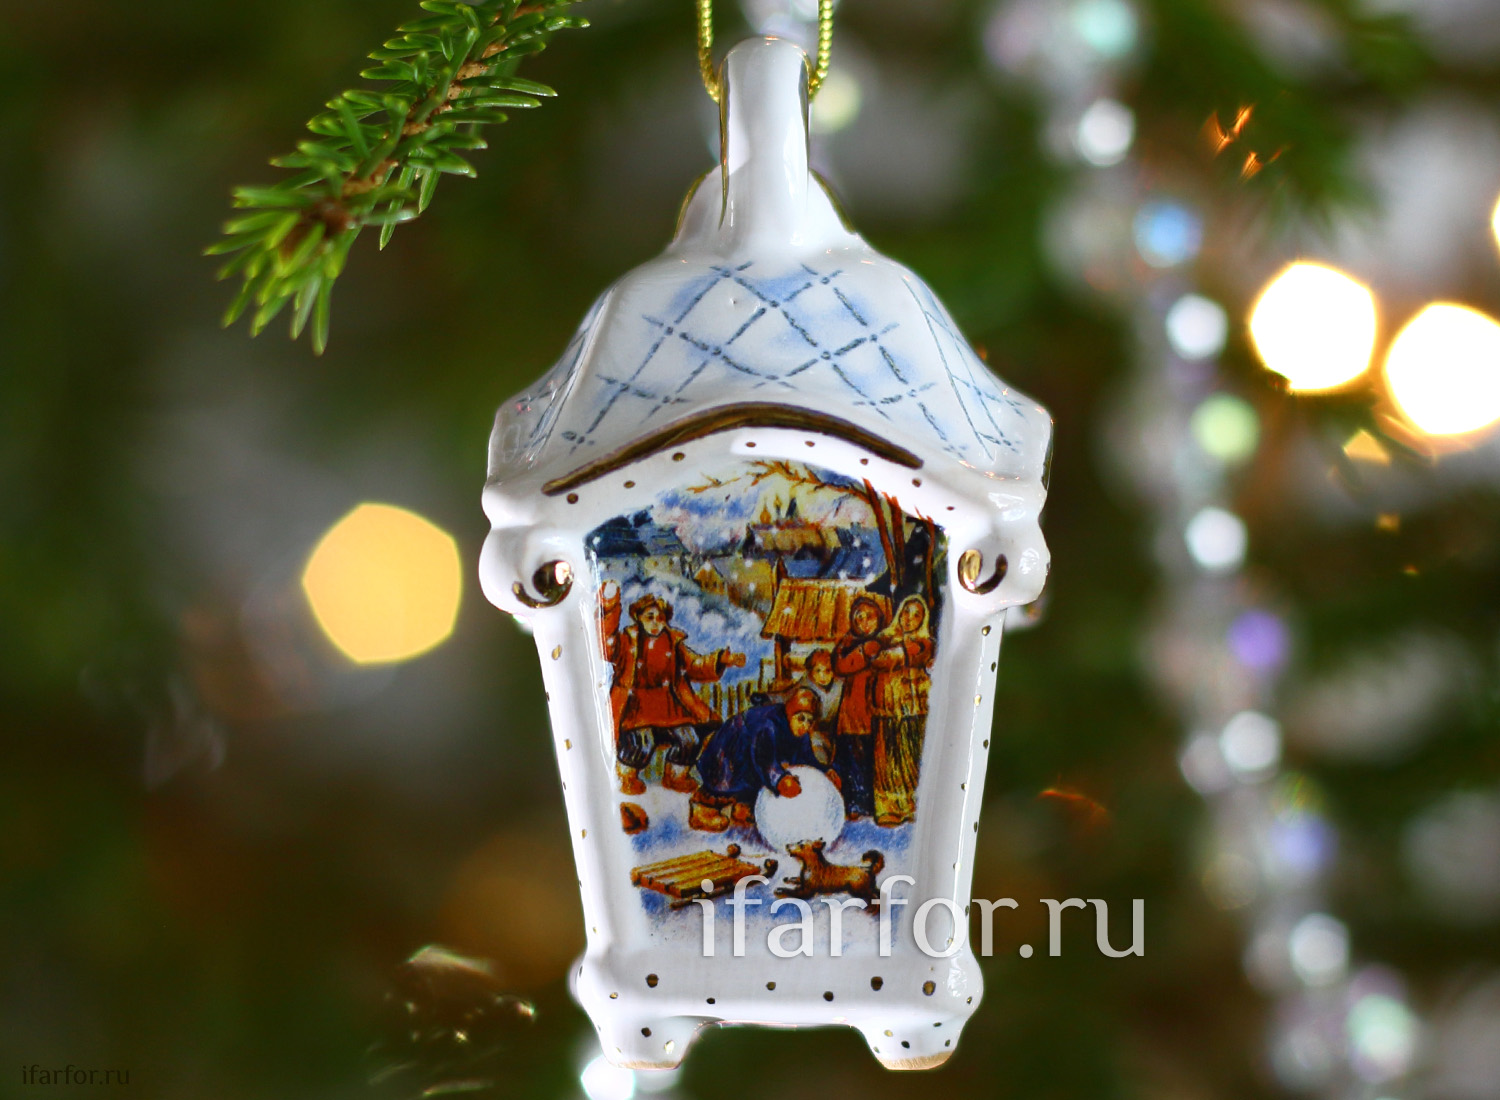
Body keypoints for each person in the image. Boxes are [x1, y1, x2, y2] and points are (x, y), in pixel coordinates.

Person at [599, 582, 745, 796]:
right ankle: (626, 776)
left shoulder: (674, 643)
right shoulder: (627, 642)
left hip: (670, 711)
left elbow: (695, 665)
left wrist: (721, 659)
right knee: (642, 742)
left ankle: (675, 776)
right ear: (638, 617)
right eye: (650, 617)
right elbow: (606, 643)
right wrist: (610, 608)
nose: (655, 623)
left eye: (660, 618)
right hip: (636, 711)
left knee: (689, 738)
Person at [689, 688, 841, 832]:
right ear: (790, 712)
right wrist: (780, 779)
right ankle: (702, 808)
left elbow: (806, 757)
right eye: (801, 718)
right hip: (727, 753)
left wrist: (824, 771)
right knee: (724, 780)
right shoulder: (767, 724)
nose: (805, 726)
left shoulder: (800, 733)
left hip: (749, 764)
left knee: (756, 782)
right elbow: (764, 759)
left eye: (809, 721)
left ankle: (742, 806)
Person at [870, 595, 934, 827]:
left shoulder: (924, 643)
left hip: (913, 707)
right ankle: (887, 807)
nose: (910, 618)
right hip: (886, 707)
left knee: (910, 757)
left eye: (917, 615)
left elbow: (892, 658)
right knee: (886, 758)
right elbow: (875, 660)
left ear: (923, 620)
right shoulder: (883, 638)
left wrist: (890, 656)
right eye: (907, 612)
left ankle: (910, 805)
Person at [831, 596, 886, 820]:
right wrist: (861, 650)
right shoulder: (848, 643)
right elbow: (841, 665)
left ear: (879, 619)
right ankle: (854, 803)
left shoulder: (882, 642)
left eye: (869, 617)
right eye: (859, 618)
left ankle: (869, 804)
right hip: (851, 715)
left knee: (869, 760)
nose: (864, 623)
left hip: (873, 713)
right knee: (851, 760)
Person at [790, 648, 841, 767]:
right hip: (812, 733)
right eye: (818, 671)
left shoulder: (839, 686)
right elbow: (787, 696)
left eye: (827, 671)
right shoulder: (805, 684)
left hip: (834, 733)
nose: (823, 676)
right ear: (811, 671)